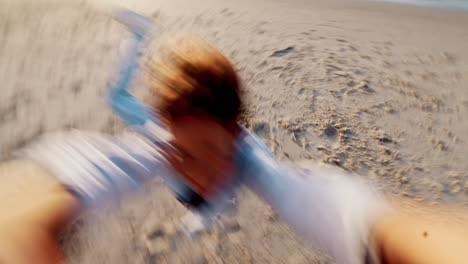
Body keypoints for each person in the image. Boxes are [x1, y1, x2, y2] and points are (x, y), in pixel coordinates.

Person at [1, 9, 468, 264]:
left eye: (211, 153)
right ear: (165, 131)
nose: (197, 172)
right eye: (181, 151)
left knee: (207, 207)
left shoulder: (253, 163)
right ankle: (139, 38)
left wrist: (390, 234)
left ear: (236, 133)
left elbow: (341, 206)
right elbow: (20, 211)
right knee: (117, 99)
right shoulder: (155, 146)